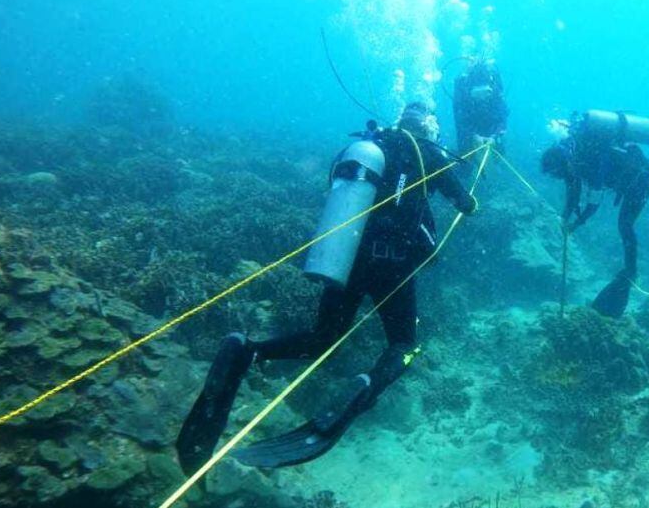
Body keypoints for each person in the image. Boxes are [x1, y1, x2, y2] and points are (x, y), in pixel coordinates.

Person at [177, 101, 477, 472]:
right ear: (428, 128)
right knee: (403, 344)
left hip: (347, 259)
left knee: (324, 338)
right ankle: (365, 386)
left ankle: (245, 351)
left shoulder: (371, 146)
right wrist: (466, 194)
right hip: (393, 268)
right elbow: (466, 203)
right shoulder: (427, 152)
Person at [540, 110, 649, 318]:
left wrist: (576, 224)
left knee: (625, 225)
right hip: (624, 178)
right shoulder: (571, 158)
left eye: (560, 174)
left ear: (563, 164)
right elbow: (573, 192)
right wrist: (564, 218)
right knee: (627, 206)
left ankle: (630, 272)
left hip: (640, 178)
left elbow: (594, 203)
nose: (563, 177)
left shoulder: (591, 158)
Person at [453, 60, 508, 152]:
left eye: (486, 93)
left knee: (497, 154)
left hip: (491, 132)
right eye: (478, 94)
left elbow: (502, 116)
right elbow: (460, 120)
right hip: (470, 133)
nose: (482, 98)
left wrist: (495, 136)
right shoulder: (463, 97)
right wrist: (472, 136)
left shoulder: (495, 95)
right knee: (466, 156)